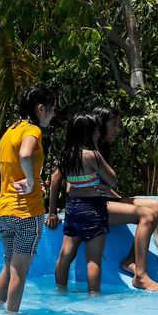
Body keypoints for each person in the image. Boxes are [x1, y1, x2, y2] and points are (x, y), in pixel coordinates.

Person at [0, 85, 56, 312]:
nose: (53, 114)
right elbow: (26, 154)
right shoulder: (32, 131)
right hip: (27, 212)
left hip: (4, 211)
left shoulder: (9, 132)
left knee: (8, 266)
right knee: (20, 270)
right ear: (41, 109)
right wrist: (30, 181)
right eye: (52, 109)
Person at [92, 104, 158, 292]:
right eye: (114, 125)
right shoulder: (87, 150)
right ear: (100, 125)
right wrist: (52, 212)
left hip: (106, 201)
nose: (117, 130)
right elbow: (65, 181)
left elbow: (106, 185)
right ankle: (140, 276)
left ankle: (129, 261)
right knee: (146, 215)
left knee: (157, 206)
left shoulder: (103, 148)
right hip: (93, 206)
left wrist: (119, 198)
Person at [48, 113, 118, 294]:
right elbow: (113, 180)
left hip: (73, 207)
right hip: (93, 208)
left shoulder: (67, 156)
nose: (98, 133)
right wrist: (102, 184)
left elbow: (56, 180)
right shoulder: (92, 155)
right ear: (90, 132)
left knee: (65, 255)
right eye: (96, 129)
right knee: (93, 260)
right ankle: (93, 298)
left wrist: (52, 211)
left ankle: (60, 292)